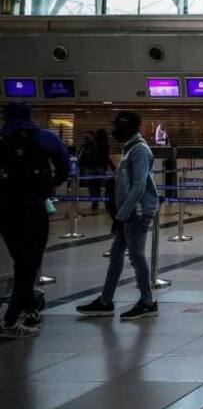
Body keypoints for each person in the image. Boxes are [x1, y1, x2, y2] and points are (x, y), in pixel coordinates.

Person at [76, 111, 161, 320]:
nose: (114, 131)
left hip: (137, 213)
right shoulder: (130, 149)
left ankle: (147, 302)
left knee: (136, 256)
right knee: (116, 255)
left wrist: (121, 215)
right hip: (128, 213)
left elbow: (139, 185)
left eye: (118, 127)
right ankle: (106, 300)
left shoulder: (139, 150)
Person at [0, 102, 70, 338]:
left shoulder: (2, 140)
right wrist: (50, 185)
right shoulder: (45, 138)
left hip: (6, 210)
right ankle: (9, 322)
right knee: (29, 264)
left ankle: (29, 311)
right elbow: (65, 166)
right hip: (33, 207)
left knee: (21, 261)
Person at [79, 129, 114, 211]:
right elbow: (106, 157)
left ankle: (95, 200)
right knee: (96, 185)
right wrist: (112, 166)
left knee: (92, 185)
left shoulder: (99, 144)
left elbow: (105, 156)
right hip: (98, 167)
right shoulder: (93, 144)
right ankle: (96, 200)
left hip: (92, 167)